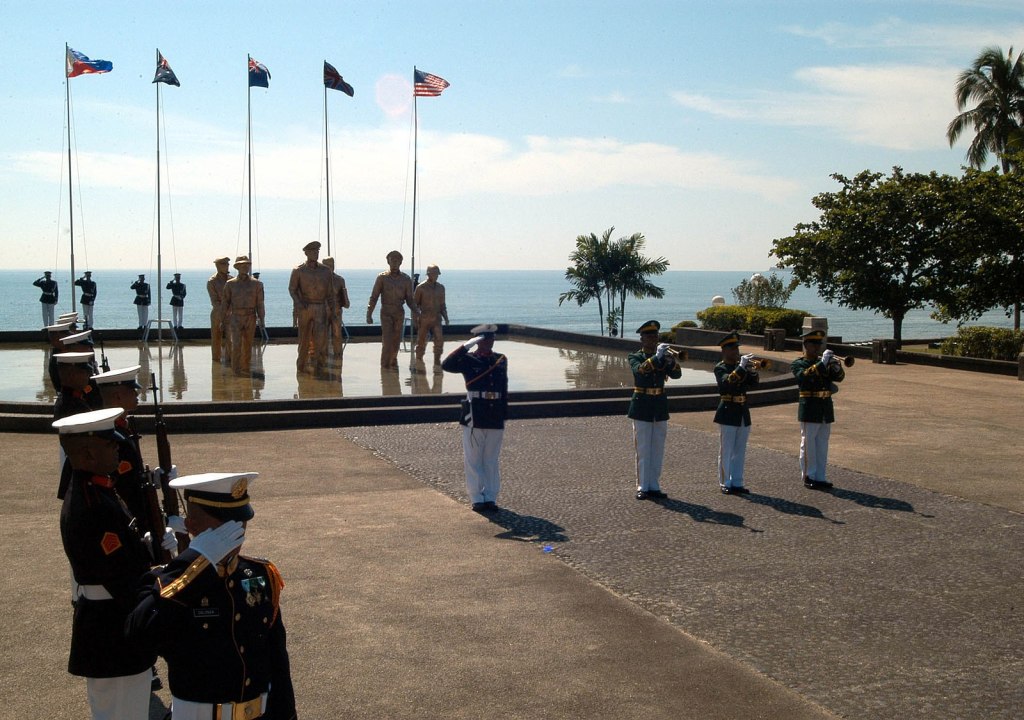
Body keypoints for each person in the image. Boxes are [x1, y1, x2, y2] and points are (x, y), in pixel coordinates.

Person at [127, 471, 298, 720]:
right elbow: (138, 637)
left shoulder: (259, 575)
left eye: (241, 522)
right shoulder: (170, 582)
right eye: (224, 526)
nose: (237, 531)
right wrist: (193, 561)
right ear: (192, 525)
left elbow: (277, 665)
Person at [54, 407, 175, 720]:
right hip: (111, 628)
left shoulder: (97, 490)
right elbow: (121, 575)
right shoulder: (94, 505)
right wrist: (163, 575)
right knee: (122, 713)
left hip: (107, 624)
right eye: (110, 445)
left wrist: (148, 547)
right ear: (88, 453)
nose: (117, 448)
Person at [441, 324, 508, 512]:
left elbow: (503, 387)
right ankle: (476, 496)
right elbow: (446, 365)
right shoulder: (468, 359)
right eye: (486, 338)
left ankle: (491, 496)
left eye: (492, 337)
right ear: (478, 341)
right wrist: (466, 346)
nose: (491, 341)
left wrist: (504, 412)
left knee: (491, 459)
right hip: (475, 413)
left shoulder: (501, 359)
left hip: (495, 412)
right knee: (473, 458)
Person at [627, 320, 681, 500]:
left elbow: (677, 375)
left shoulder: (664, 357)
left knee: (657, 448)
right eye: (649, 336)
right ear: (641, 339)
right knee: (643, 448)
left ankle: (654, 485)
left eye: (655, 336)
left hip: (659, 405)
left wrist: (670, 360)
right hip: (642, 405)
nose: (653, 339)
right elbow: (640, 371)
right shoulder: (635, 356)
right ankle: (643, 485)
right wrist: (656, 358)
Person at [792, 329, 846, 490]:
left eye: (819, 344)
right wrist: (821, 364)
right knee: (808, 444)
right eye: (814, 344)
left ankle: (820, 476)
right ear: (806, 345)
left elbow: (839, 378)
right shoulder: (799, 363)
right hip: (810, 407)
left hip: (825, 407)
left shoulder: (825, 363)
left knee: (822, 444)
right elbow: (803, 377)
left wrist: (835, 366)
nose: (817, 347)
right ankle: (809, 475)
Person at [713, 331, 760, 494]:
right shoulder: (720, 368)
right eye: (732, 349)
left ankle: (738, 481)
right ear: (724, 350)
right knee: (726, 450)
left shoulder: (739, 367)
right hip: (727, 411)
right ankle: (725, 482)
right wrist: (741, 368)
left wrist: (752, 371)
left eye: (736, 349)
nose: (736, 352)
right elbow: (727, 382)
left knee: (740, 450)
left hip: (742, 412)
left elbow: (753, 383)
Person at [289, 241, 336, 374]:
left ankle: (320, 368)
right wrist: (298, 303)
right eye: (313, 251)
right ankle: (301, 367)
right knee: (304, 341)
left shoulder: (325, 271)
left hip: (320, 307)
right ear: (306, 253)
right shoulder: (298, 270)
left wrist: (332, 311)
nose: (316, 253)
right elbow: (292, 289)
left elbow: (330, 293)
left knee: (320, 341)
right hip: (305, 308)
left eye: (317, 251)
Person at [366, 250, 419, 369]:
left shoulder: (406, 279)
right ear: (388, 261)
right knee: (387, 340)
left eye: (397, 260)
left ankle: (393, 363)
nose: (394, 263)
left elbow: (410, 300)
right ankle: (385, 366)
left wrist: (417, 312)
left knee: (396, 341)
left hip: (399, 312)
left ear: (401, 262)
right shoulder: (382, 278)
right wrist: (369, 313)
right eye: (392, 260)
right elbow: (374, 297)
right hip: (386, 312)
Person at [221, 256, 265, 376]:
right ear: (237, 267)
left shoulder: (257, 284)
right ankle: (236, 370)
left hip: (250, 317)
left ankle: (245, 368)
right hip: (236, 317)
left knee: (248, 345)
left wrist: (262, 319)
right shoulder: (230, 284)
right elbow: (225, 303)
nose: (245, 267)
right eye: (242, 265)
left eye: (247, 265)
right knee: (236, 344)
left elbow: (260, 303)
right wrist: (222, 319)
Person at [413, 263, 449, 365]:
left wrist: (446, 317)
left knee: (439, 340)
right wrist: (415, 320)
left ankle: (437, 361)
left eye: (437, 274)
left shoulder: (441, 288)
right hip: (424, 318)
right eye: (434, 274)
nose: (436, 276)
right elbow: (414, 305)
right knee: (421, 341)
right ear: (428, 274)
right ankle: (419, 360)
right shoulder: (421, 288)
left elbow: (442, 304)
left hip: (437, 318)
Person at [322, 256, 351, 355]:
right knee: (322, 335)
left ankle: (338, 355)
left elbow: (345, 297)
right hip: (323, 311)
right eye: (327, 265)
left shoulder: (340, 280)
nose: (330, 267)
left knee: (337, 334)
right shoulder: (319, 280)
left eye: (332, 265)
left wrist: (346, 302)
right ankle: (322, 356)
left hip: (336, 311)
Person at [207, 257, 233, 362]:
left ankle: (231, 360)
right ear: (218, 266)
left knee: (231, 339)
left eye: (227, 264)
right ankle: (216, 360)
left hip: (230, 313)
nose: (227, 266)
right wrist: (224, 310)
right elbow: (214, 301)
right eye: (224, 264)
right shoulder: (212, 281)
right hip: (217, 313)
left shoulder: (232, 280)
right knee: (216, 339)